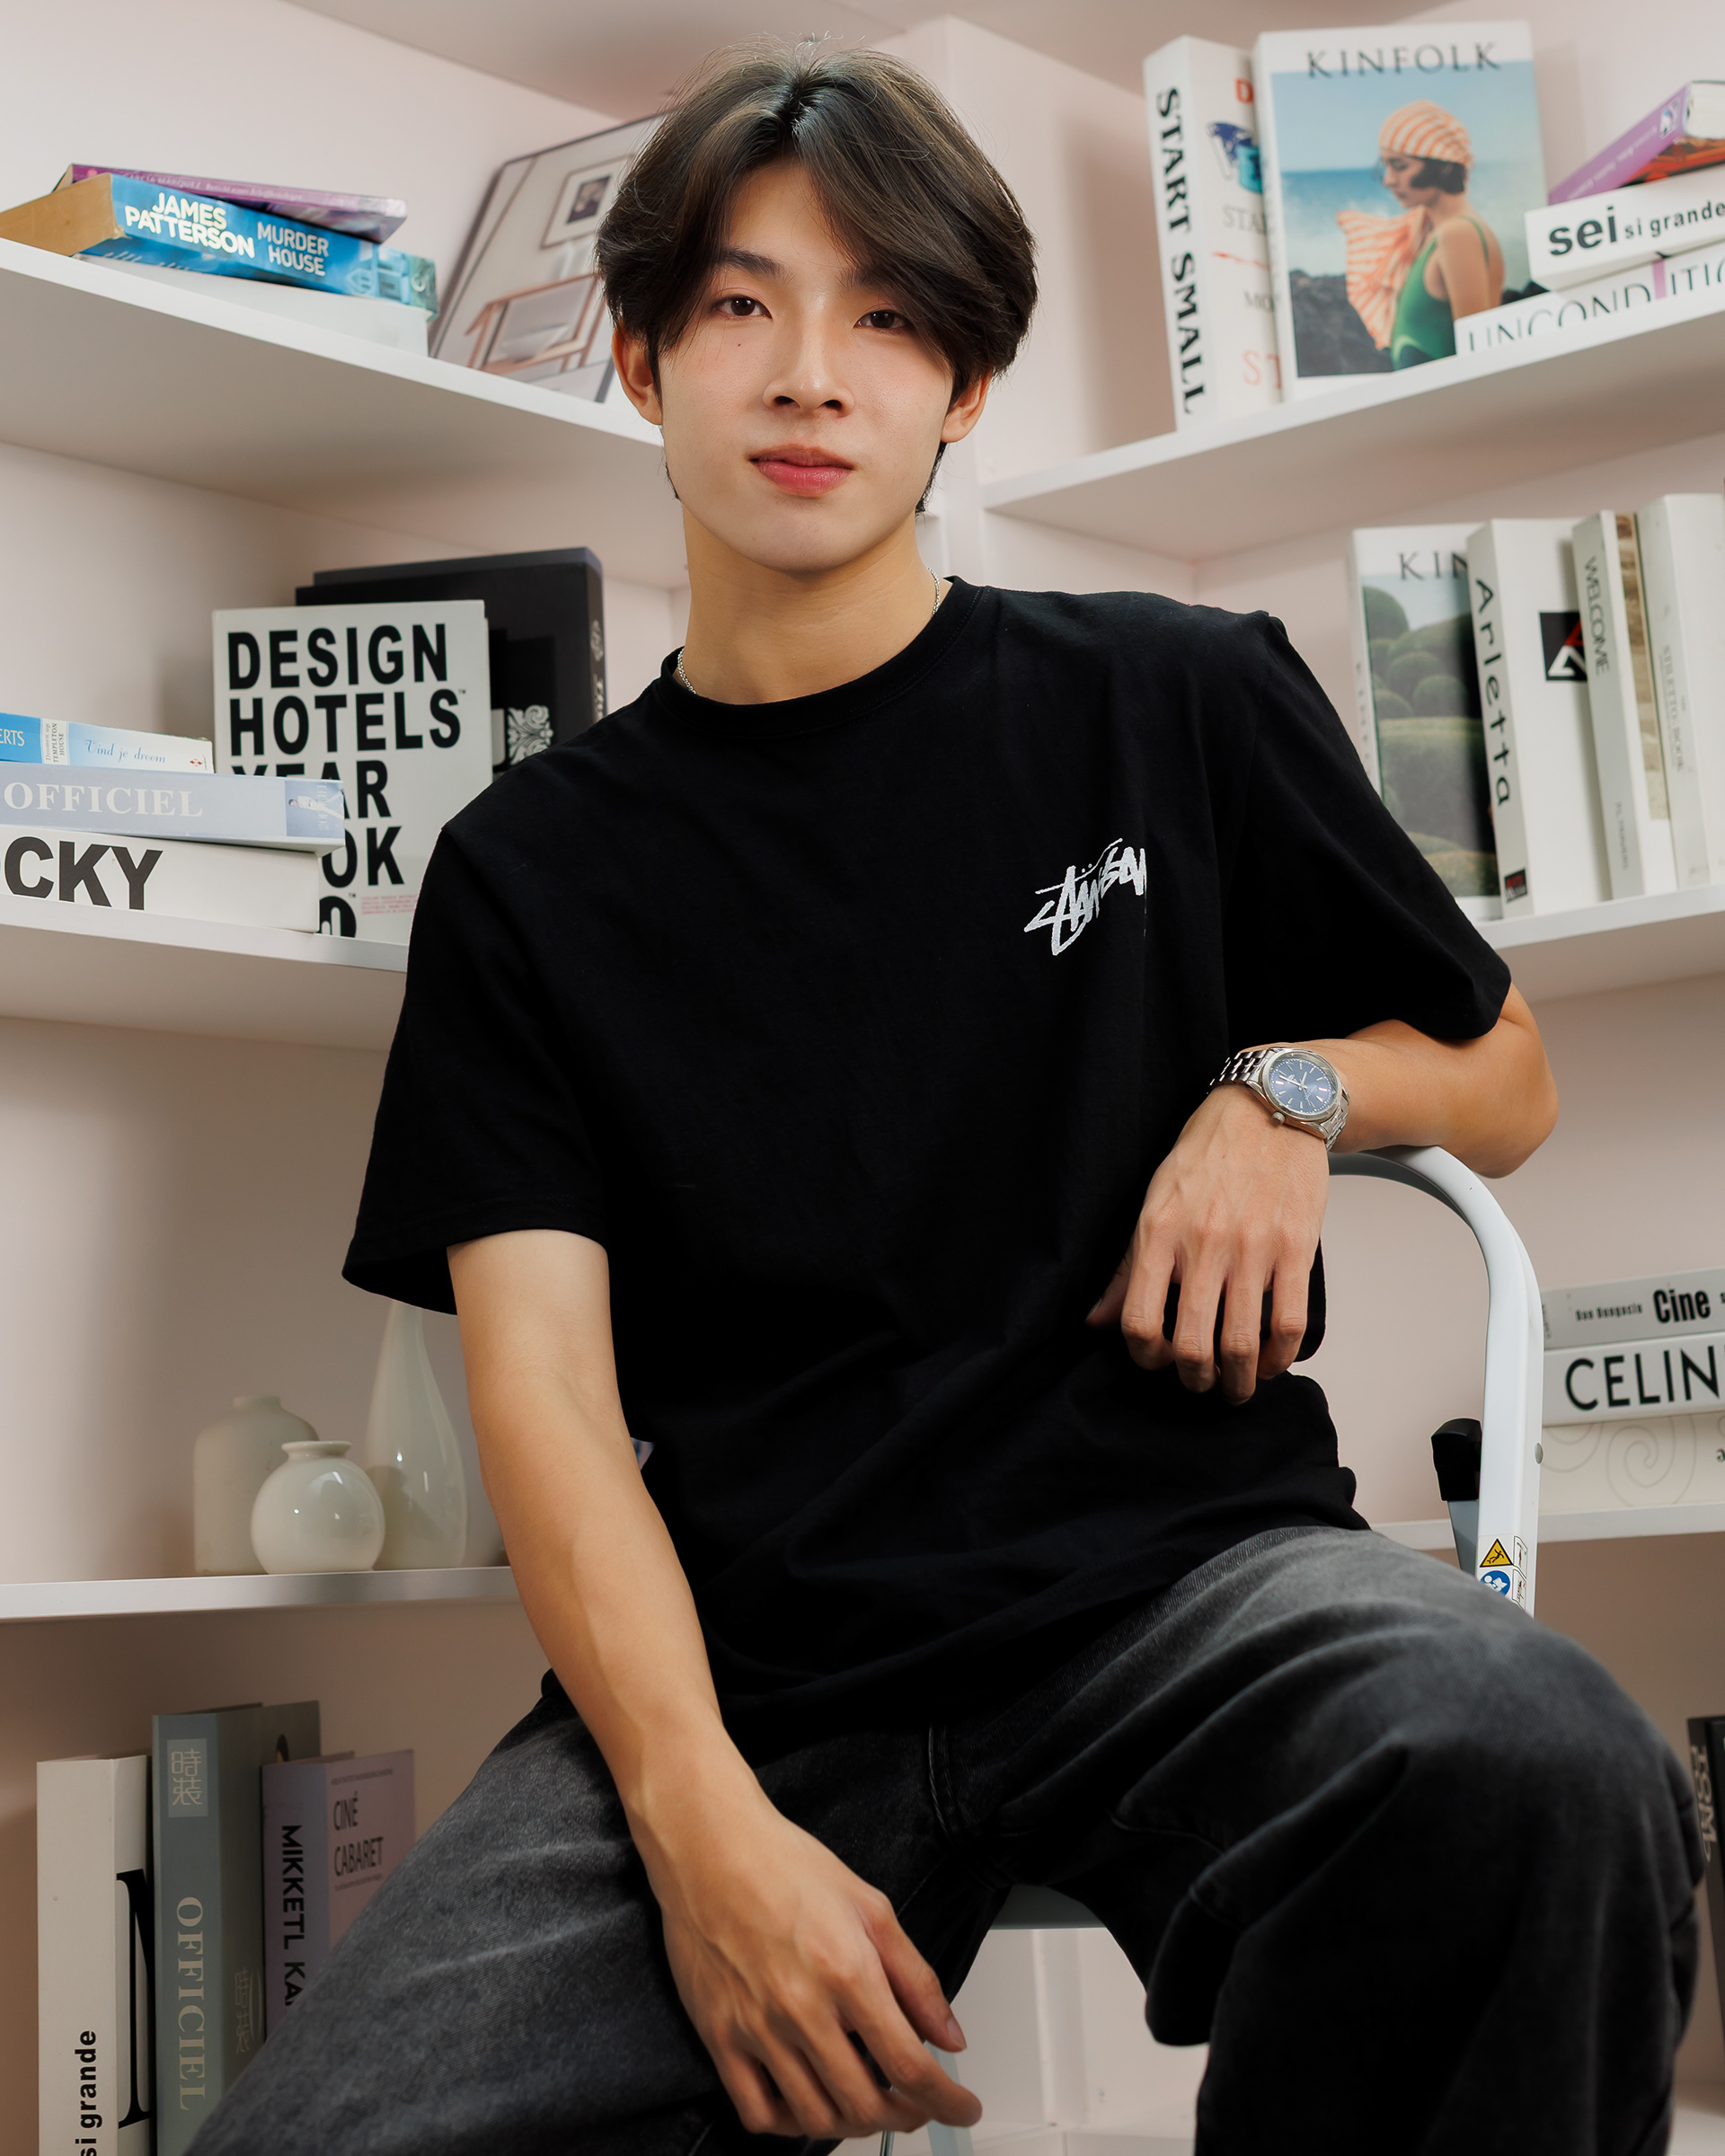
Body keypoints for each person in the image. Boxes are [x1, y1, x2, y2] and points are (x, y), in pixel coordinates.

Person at [190, 44, 1700, 2156]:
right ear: (641, 359)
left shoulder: (1170, 695)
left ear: (967, 387)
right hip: (760, 1675)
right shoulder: (528, 873)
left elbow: (1504, 1072)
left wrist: (1277, 1091)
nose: (813, 375)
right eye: (742, 304)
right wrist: (699, 1829)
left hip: (1190, 1595)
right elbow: (547, 1409)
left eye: (890, 316)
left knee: (1537, 1755)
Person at [1338, 101, 1507, 367]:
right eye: (1386, 166)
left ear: (1443, 165)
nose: (1389, 180)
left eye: (1400, 166)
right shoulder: (1426, 232)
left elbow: (1480, 361)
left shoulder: (1458, 235)